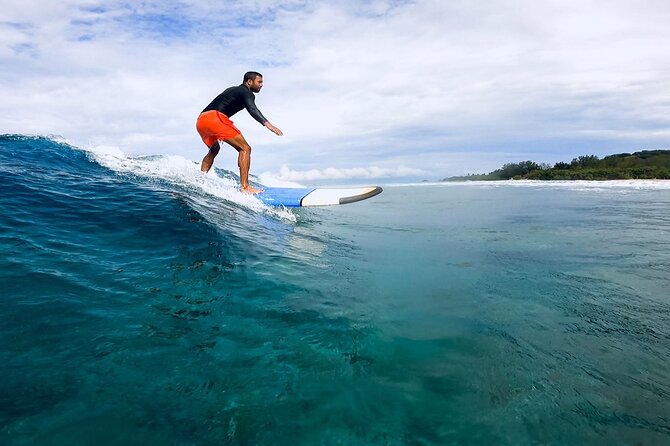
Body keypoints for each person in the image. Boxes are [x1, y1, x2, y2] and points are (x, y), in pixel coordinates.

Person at [196, 71, 283, 194]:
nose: (262, 85)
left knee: (214, 149)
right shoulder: (246, 92)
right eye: (259, 82)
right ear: (249, 81)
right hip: (215, 118)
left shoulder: (232, 89)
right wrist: (268, 124)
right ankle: (245, 187)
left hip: (201, 120)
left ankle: (201, 178)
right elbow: (252, 108)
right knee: (245, 148)